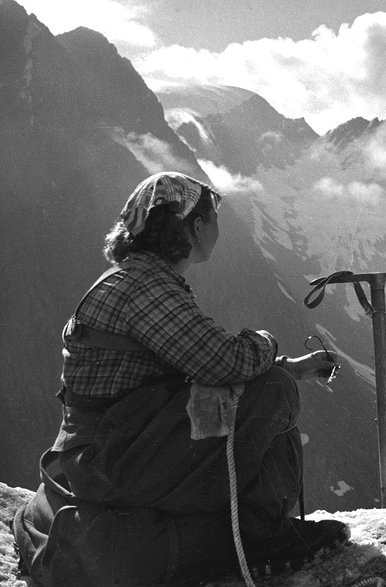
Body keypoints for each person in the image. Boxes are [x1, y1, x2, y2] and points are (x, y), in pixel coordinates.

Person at [16, 171, 348, 585]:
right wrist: (267, 343)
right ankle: (263, 537)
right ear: (195, 226)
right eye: (213, 219)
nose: (217, 230)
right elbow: (223, 362)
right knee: (273, 391)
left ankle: (249, 526)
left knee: (273, 381)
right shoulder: (148, 288)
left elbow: (192, 365)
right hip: (116, 457)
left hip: (108, 447)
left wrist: (289, 365)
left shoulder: (132, 279)